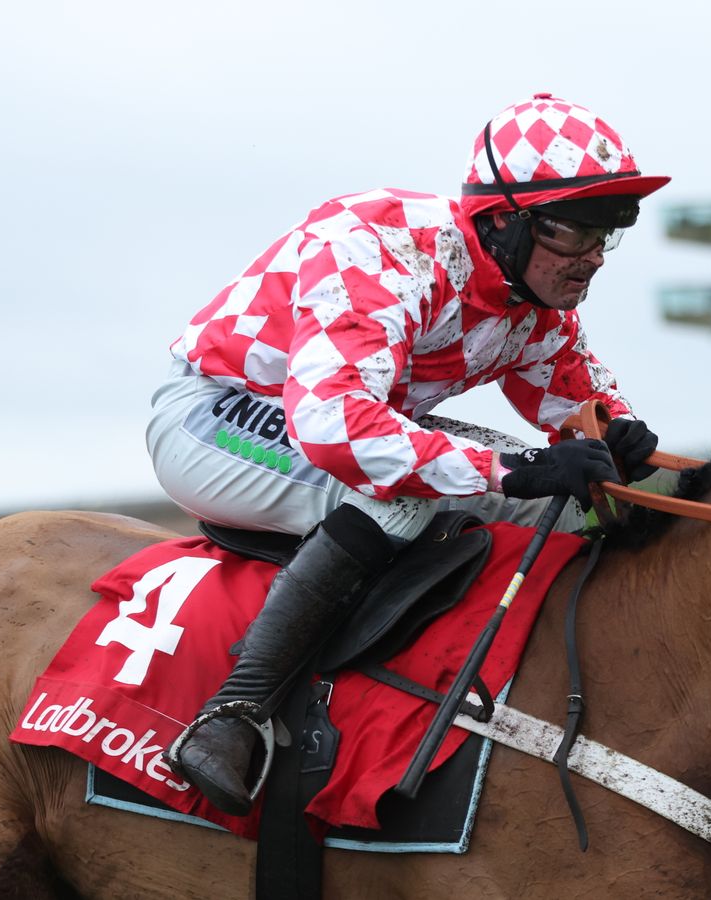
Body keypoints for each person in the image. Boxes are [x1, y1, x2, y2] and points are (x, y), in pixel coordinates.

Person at [145, 93, 668, 814]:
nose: (591, 260)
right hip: (216, 418)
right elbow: (340, 429)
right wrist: (512, 469)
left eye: (608, 233)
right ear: (504, 220)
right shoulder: (381, 244)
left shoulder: (532, 299)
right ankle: (232, 715)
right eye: (574, 233)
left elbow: (574, 403)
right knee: (405, 489)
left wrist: (619, 433)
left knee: (551, 492)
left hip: (337, 420)